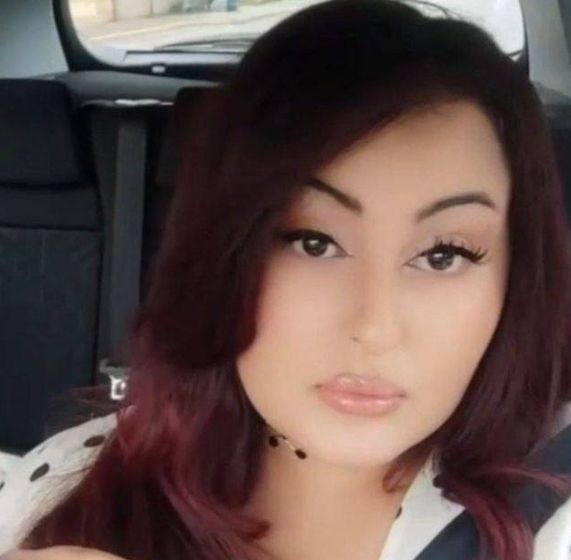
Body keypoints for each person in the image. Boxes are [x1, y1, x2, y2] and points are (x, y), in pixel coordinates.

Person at [2, 0, 571, 559]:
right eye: (313, 243)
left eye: (444, 255)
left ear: (515, 280)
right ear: (223, 254)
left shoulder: (553, 514)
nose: (375, 328)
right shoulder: (68, 486)